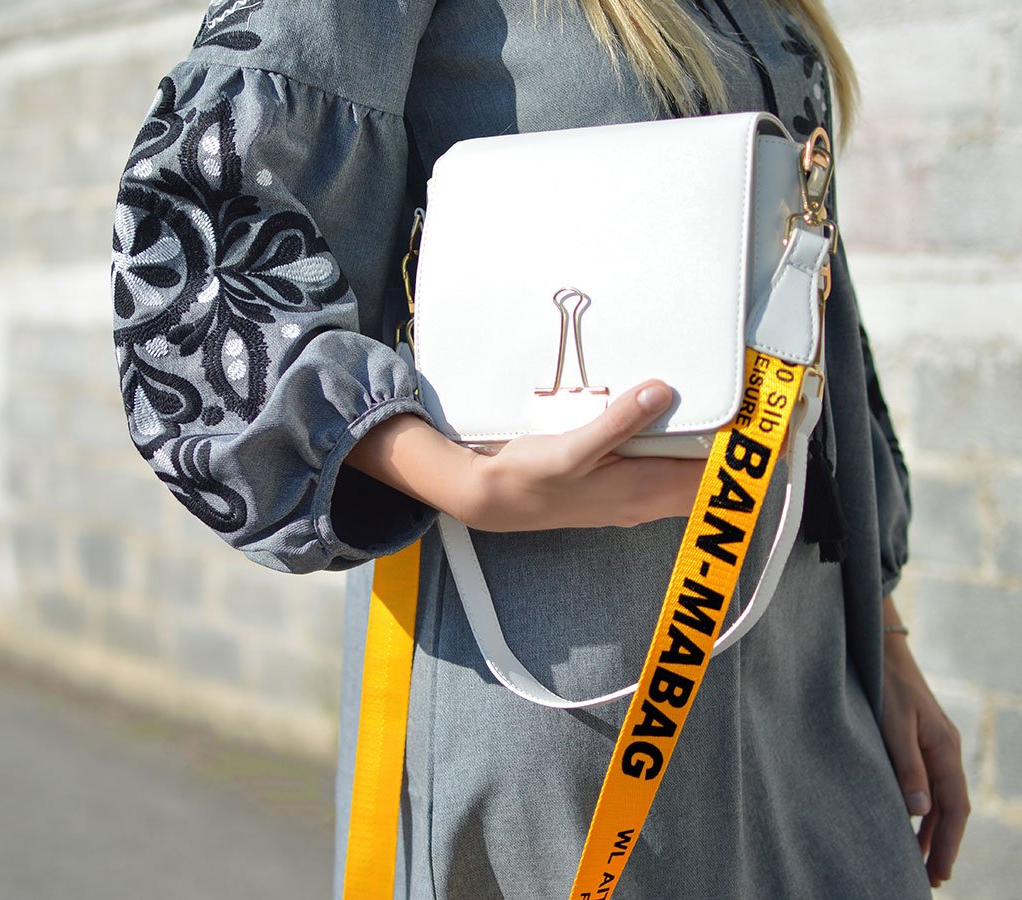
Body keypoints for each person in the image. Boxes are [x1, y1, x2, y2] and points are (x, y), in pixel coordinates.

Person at [108, 0, 970, 895]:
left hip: (808, 675)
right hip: (555, 672)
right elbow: (194, 246)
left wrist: (882, 633)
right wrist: (456, 479)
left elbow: (808, 303)